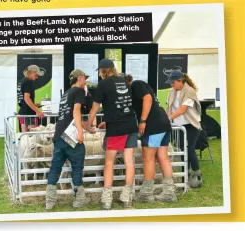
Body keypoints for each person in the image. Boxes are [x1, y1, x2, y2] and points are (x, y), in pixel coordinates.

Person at [85, 58, 138, 210]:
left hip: (116, 129)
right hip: (130, 125)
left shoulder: (102, 85)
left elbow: (94, 109)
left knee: (109, 162)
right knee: (129, 162)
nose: (100, 75)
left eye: (100, 72)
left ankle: (107, 199)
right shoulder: (125, 82)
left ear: (103, 71)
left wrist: (88, 126)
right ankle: (127, 197)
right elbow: (123, 105)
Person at [119, 74, 177, 202]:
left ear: (128, 81)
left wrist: (143, 120)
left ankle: (147, 193)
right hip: (163, 124)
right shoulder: (131, 93)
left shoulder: (136, 84)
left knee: (148, 158)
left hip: (153, 126)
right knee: (163, 157)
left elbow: (148, 98)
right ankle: (169, 193)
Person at [46, 69, 90, 210]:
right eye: (85, 79)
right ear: (80, 78)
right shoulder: (78, 91)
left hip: (59, 135)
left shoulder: (65, 94)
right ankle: (79, 200)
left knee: (55, 167)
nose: (86, 82)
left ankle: (50, 200)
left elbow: (67, 117)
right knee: (77, 167)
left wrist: (86, 126)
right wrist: (80, 131)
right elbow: (76, 111)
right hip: (70, 136)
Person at [165, 71, 203, 188]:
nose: (172, 85)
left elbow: (183, 109)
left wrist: (169, 119)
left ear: (181, 81)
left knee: (189, 149)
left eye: (173, 82)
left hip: (191, 125)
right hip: (179, 126)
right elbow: (169, 108)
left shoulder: (189, 92)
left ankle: (197, 176)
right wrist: (166, 118)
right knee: (181, 149)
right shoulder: (172, 92)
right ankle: (184, 176)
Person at [17, 65, 45, 132]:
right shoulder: (28, 81)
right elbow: (26, 98)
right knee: (33, 136)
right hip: (28, 113)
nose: (37, 77)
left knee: (24, 137)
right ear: (32, 72)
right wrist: (37, 111)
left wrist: (33, 104)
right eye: (37, 74)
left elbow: (23, 99)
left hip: (23, 112)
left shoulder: (23, 81)